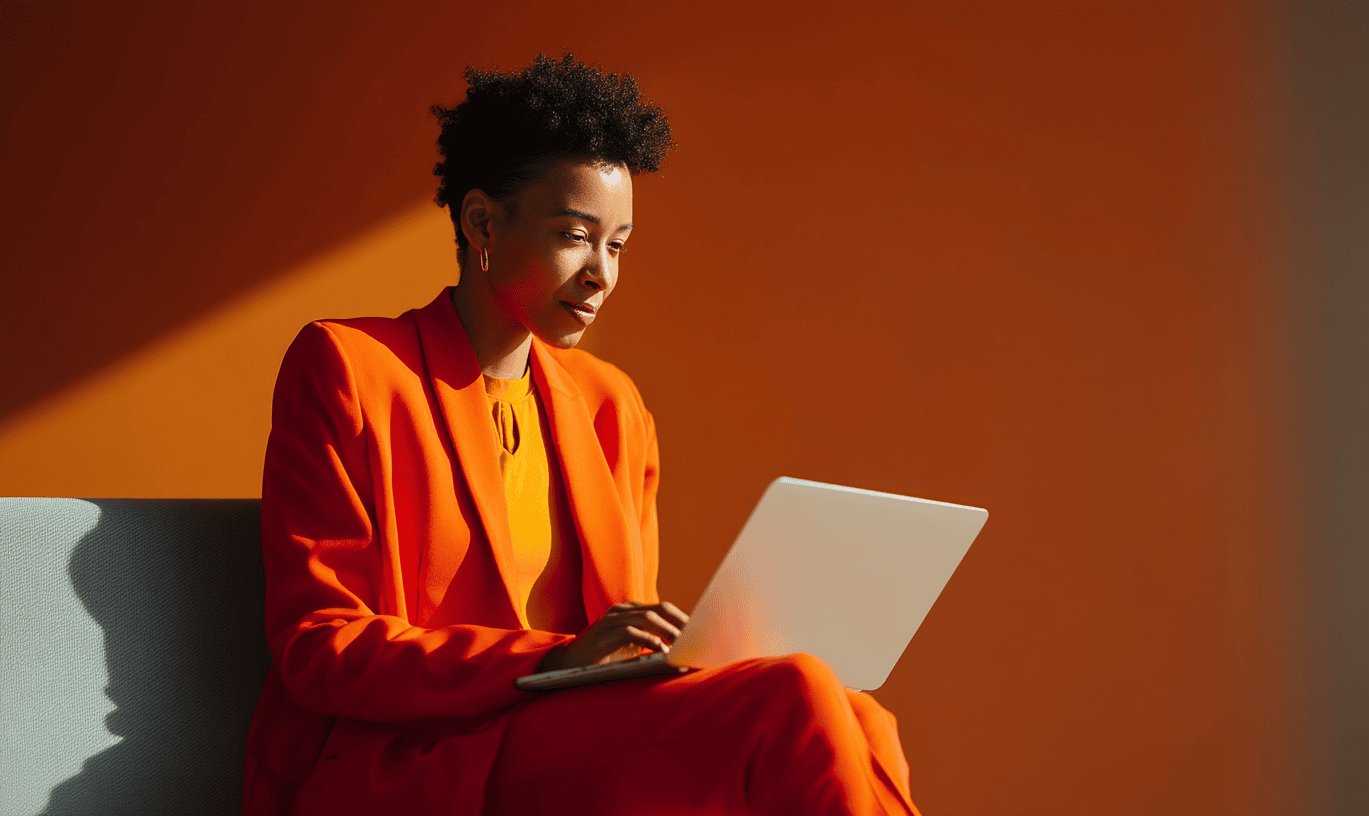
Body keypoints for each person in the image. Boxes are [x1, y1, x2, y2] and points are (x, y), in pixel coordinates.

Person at [241, 53, 923, 816]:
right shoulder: (350, 367)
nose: (602, 273)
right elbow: (320, 645)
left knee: (858, 715)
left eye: (618, 244)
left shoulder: (611, 406)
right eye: (575, 235)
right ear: (481, 223)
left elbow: (627, 636)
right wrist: (557, 659)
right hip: (425, 759)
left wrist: (675, 653)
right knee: (794, 696)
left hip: (576, 747)